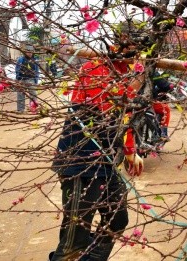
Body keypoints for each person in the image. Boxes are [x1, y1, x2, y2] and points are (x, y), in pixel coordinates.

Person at [48, 50, 145, 261]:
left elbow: (123, 117)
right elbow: (111, 105)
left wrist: (130, 151)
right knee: (75, 239)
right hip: (80, 163)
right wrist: (136, 81)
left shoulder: (123, 72)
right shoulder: (94, 69)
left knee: (117, 219)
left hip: (105, 163)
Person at [15, 45, 39, 113]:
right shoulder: (20, 59)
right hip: (22, 79)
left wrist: (36, 80)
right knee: (20, 94)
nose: (29, 53)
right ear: (25, 52)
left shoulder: (35, 60)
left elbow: (37, 70)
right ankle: (20, 110)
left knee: (33, 94)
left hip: (31, 79)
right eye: (28, 52)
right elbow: (17, 69)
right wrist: (17, 79)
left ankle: (33, 108)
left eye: (31, 52)